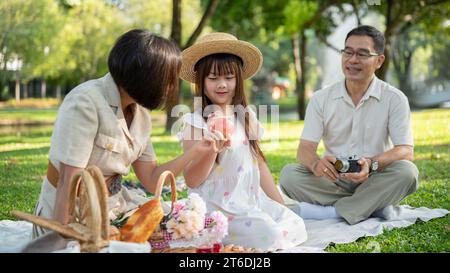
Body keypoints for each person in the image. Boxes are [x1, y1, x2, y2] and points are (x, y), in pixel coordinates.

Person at [32, 29, 216, 238]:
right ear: (146, 77)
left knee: (184, 230)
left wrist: (196, 152)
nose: (170, 87)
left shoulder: (141, 115)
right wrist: (62, 237)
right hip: (73, 210)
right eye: (167, 79)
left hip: (115, 206)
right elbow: (68, 180)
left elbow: (151, 178)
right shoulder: (85, 102)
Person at [178, 32, 307, 250]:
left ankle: (264, 224)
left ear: (239, 79)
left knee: (295, 224)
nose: (222, 85)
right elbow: (191, 180)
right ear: (201, 80)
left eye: (229, 78)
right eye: (213, 78)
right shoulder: (195, 122)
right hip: (217, 207)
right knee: (271, 235)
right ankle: (218, 233)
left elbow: (259, 163)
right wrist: (212, 150)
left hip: (247, 200)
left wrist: (279, 204)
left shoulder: (246, 116)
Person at [279, 25, 419, 225]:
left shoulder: (395, 99)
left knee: (407, 172)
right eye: (348, 52)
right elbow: (305, 150)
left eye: (362, 54)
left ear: (379, 61)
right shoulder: (321, 99)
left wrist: (371, 164)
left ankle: (332, 212)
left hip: (375, 177)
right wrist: (316, 163)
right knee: (289, 175)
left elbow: (405, 151)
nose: (353, 59)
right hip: (334, 180)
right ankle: (373, 206)